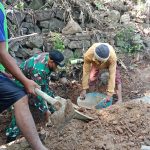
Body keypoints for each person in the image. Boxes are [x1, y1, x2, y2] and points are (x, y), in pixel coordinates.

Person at [0, 0, 47, 149]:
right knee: (19, 96)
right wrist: (26, 81)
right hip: (21, 77)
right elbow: (1, 52)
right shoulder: (39, 68)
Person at [6, 50, 66, 142]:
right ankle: (11, 137)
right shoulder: (39, 70)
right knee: (20, 110)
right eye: (57, 66)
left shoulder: (49, 57)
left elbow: (44, 86)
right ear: (51, 61)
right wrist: (45, 110)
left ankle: (55, 115)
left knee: (51, 97)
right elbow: (37, 94)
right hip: (18, 84)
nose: (57, 68)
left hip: (34, 80)